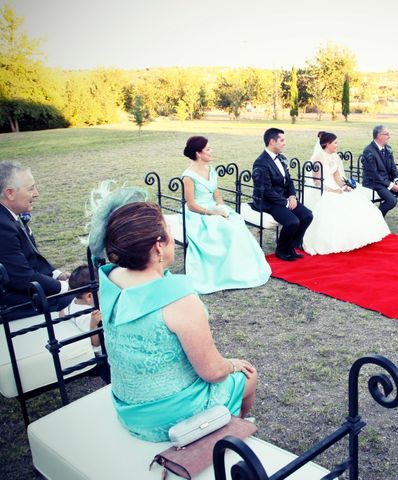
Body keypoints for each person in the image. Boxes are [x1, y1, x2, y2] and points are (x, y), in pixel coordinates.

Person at [93, 200, 257, 442]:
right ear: (158, 247)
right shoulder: (180, 302)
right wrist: (232, 364)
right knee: (249, 376)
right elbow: (213, 372)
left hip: (128, 407)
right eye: (169, 231)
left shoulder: (110, 280)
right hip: (170, 418)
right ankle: (229, 431)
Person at [182, 136, 271, 293]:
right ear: (198, 153)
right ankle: (225, 272)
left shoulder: (211, 170)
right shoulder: (188, 176)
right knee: (226, 229)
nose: (211, 151)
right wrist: (212, 212)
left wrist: (223, 209)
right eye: (208, 149)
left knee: (237, 223)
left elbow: (216, 195)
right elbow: (191, 205)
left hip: (215, 207)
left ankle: (241, 269)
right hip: (198, 212)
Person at [0, 161, 71, 318]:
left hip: (30, 290)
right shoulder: (2, 227)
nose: (36, 193)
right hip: (20, 302)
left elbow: (32, 257)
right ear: (10, 193)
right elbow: (21, 277)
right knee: (87, 298)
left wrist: (56, 275)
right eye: (31, 188)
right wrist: (65, 287)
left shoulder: (8, 215)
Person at [303, 131, 390, 255]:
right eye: (335, 143)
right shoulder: (318, 159)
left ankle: (358, 237)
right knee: (335, 206)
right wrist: (333, 191)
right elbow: (318, 183)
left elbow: (338, 178)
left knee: (355, 200)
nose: (337, 145)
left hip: (335, 186)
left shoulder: (335, 157)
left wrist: (344, 187)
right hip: (324, 189)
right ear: (327, 144)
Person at [251, 128, 313, 261]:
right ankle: (281, 249)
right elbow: (265, 191)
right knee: (292, 222)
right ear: (272, 142)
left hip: (284, 198)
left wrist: (292, 197)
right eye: (282, 140)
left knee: (307, 216)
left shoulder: (282, 158)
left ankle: (290, 246)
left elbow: (289, 181)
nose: (284, 143)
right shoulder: (261, 163)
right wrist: (285, 203)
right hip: (268, 202)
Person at [58, 265, 102, 351]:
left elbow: (61, 313)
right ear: (89, 296)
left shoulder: (75, 302)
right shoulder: (89, 316)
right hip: (102, 352)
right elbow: (96, 343)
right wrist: (93, 324)